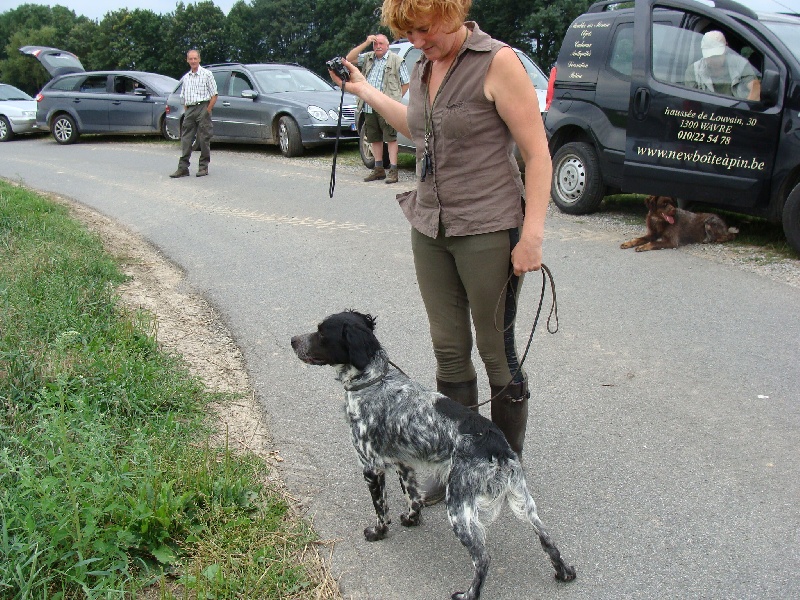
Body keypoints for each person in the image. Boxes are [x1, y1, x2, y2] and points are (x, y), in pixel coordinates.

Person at [329, 0, 552, 503]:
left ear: (452, 13)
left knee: (498, 353)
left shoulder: (498, 62)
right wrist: (363, 89)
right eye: (408, 33)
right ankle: (458, 463)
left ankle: (502, 467)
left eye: (424, 30)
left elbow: (538, 154)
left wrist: (532, 234)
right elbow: (416, 127)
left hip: (489, 227)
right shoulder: (423, 66)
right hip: (430, 225)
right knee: (449, 352)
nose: (418, 41)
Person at [346, 33, 410, 184]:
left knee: (391, 138)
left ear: (388, 46)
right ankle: (379, 169)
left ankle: (393, 170)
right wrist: (366, 42)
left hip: (386, 106)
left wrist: (394, 100)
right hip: (369, 106)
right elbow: (349, 59)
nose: (378, 46)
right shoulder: (368, 58)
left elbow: (405, 82)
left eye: (381, 43)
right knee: (374, 138)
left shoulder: (396, 60)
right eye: (375, 44)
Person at [170, 49, 218, 178]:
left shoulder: (207, 74)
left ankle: (203, 167)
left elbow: (214, 95)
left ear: (199, 59)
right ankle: (183, 168)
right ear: (187, 60)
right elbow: (184, 97)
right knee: (186, 139)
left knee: (204, 138)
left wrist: (207, 110)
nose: (193, 61)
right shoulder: (186, 77)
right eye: (190, 59)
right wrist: (187, 111)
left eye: (195, 58)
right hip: (190, 109)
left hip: (203, 106)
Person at [684, 30, 760, 101]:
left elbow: (755, 87)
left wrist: (746, 109)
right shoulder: (693, 71)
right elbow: (690, 102)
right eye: (709, 56)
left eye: (717, 55)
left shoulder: (740, 64)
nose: (713, 60)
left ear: (726, 47)